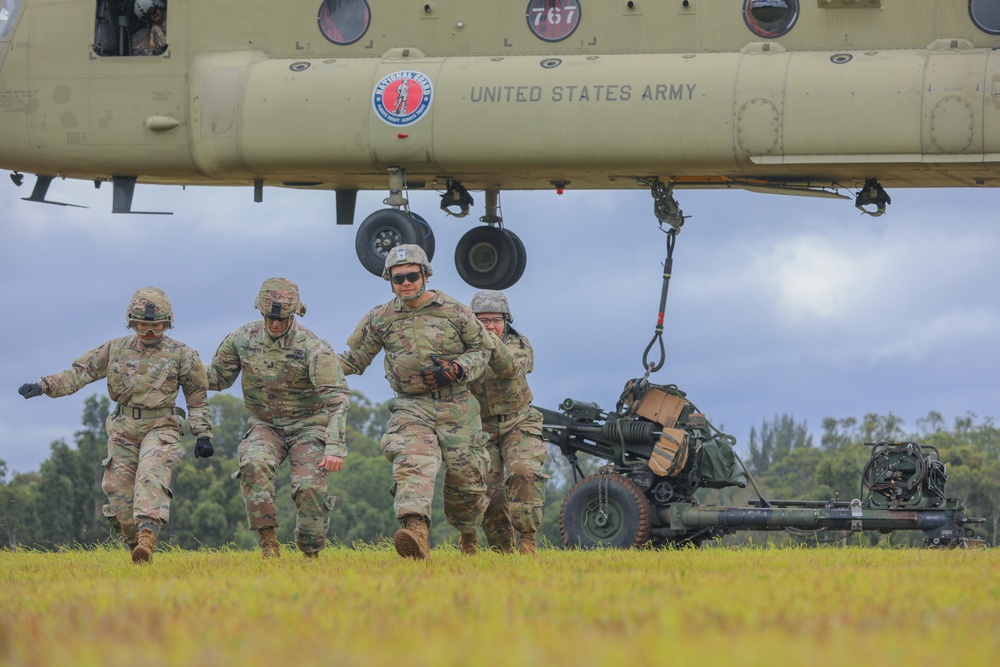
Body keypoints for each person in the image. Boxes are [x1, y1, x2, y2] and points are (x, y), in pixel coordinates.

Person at [17, 287, 214, 564]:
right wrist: (44, 385)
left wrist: (202, 434)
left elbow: (196, 395)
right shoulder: (115, 349)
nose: (148, 332)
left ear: (167, 323)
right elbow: (80, 374)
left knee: (150, 476)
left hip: (161, 426)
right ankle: (136, 546)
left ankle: (148, 537)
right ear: (132, 322)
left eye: (155, 325)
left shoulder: (181, 354)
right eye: (143, 325)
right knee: (118, 497)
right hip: (122, 429)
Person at [339, 244, 490, 560]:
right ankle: (416, 533)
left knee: (466, 482)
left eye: (412, 276)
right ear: (389, 281)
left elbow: (482, 349)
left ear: (425, 275)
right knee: (412, 461)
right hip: (411, 406)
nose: (406, 283)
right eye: (398, 279)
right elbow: (355, 358)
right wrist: (317, 366)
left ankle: (468, 533)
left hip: (457, 405)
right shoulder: (381, 319)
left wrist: (458, 368)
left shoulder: (455, 311)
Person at [208, 277, 348, 560]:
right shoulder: (241, 339)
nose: (275, 324)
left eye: (282, 318)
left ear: (295, 313)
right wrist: (179, 366)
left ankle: (310, 550)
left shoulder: (313, 347)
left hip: (307, 426)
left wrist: (334, 447)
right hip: (265, 425)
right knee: (252, 463)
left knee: (309, 487)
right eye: (270, 317)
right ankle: (268, 543)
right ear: (260, 311)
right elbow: (218, 377)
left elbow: (337, 399)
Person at [468, 290, 548, 555]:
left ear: (506, 321)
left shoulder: (518, 344)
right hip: (481, 428)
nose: (490, 325)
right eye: (483, 320)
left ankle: (527, 540)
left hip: (518, 422)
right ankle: (502, 553)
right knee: (489, 491)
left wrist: (489, 343)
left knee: (523, 471)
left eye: (496, 320)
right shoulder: (462, 346)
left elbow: (511, 368)